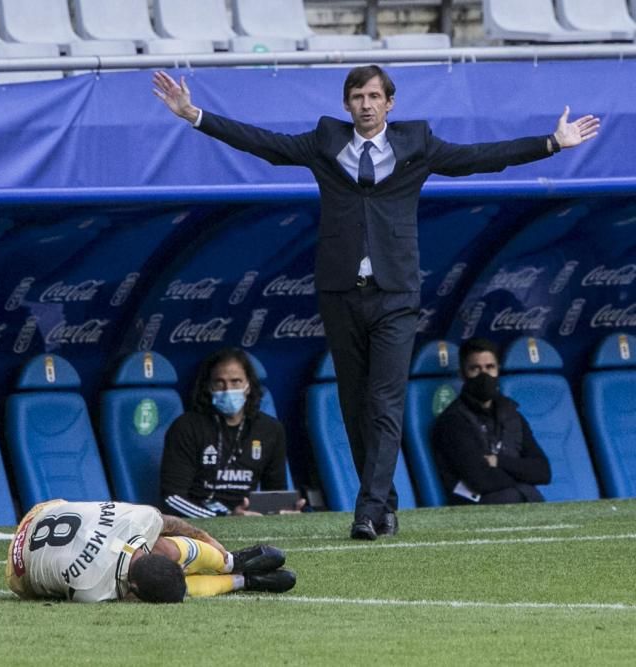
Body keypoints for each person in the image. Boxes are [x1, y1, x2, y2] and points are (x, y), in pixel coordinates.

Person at [152, 66, 598, 539]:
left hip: (396, 293)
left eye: (373, 96)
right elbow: (264, 143)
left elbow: (477, 158)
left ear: (390, 103)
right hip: (341, 292)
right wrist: (194, 115)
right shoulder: (324, 141)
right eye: (356, 96)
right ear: (346, 105)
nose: (365, 104)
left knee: (385, 400)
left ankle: (366, 510)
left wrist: (550, 144)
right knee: (354, 403)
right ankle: (384, 503)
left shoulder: (417, 144)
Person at [6, 499, 296, 603]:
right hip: (18, 567)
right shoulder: (91, 589)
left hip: (44, 512)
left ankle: (231, 563)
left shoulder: (138, 522)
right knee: (165, 558)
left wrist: (212, 543)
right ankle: (242, 580)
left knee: (165, 545)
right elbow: (170, 523)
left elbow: (168, 523)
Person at [160, 348, 302, 518]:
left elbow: (275, 493)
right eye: (219, 383)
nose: (228, 389)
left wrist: (282, 509)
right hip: (197, 523)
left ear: (248, 386)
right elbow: (172, 498)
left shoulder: (270, 429)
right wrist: (224, 519)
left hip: (248, 518)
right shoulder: (186, 427)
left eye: (236, 382)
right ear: (209, 387)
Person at [431, 338, 551, 505]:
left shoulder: (511, 414)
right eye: (475, 369)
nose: (484, 375)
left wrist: (498, 461)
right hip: (479, 509)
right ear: (462, 374)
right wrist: (523, 475)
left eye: (490, 367)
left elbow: (543, 471)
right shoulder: (453, 421)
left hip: (521, 500)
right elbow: (480, 480)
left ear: (498, 370)